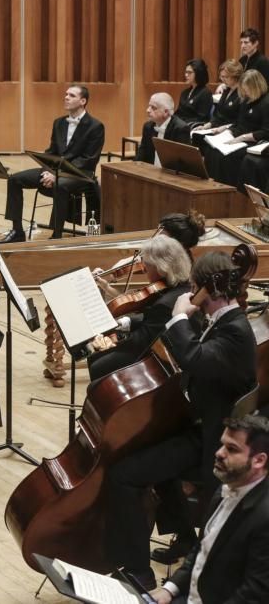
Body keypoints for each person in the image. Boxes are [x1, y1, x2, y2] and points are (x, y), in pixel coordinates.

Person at [103, 251, 257, 589]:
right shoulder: (225, 321)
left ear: (207, 290)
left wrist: (178, 318)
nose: (189, 292)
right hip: (199, 426)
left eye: (193, 287)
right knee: (153, 453)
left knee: (124, 475)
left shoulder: (236, 333)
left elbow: (194, 358)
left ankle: (138, 573)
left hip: (212, 440)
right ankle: (185, 538)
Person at [148, 414, 269, 604]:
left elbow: (255, 594)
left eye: (232, 449)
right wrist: (169, 589)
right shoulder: (225, 487)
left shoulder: (264, 517)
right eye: (222, 444)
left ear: (259, 460)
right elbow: (201, 548)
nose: (219, 453)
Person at [0, 85, 105, 242]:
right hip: (55, 171)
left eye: (72, 95)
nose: (66, 97)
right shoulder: (59, 123)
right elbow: (51, 152)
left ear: (83, 101)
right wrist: (47, 171)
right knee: (14, 179)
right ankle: (17, 231)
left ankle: (57, 235)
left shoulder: (96, 126)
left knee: (60, 185)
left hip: (81, 174)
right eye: (66, 94)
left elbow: (88, 160)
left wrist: (58, 174)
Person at [87, 235, 193, 381]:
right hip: (158, 345)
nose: (144, 269)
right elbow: (150, 318)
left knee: (98, 364)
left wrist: (112, 344)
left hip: (156, 359)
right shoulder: (182, 285)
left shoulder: (165, 304)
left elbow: (141, 343)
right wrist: (125, 323)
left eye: (147, 265)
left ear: (161, 268)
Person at [207, 70, 269, 192]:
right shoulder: (246, 100)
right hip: (240, 137)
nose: (245, 92)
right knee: (213, 150)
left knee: (230, 156)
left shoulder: (266, 102)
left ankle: (233, 190)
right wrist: (228, 131)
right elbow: (239, 123)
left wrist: (242, 137)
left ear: (256, 86)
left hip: (256, 141)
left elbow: (266, 131)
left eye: (247, 89)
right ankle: (213, 187)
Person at [135, 93, 192, 166]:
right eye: (149, 106)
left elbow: (183, 161)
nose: (148, 110)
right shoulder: (148, 126)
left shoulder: (180, 129)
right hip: (150, 172)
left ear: (166, 112)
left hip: (171, 174)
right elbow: (141, 154)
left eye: (153, 108)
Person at [199, 59, 244, 130]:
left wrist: (223, 128)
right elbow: (219, 116)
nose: (222, 80)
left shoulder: (243, 93)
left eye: (225, 77)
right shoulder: (226, 90)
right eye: (221, 77)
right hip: (217, 128)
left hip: (231, 131)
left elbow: (239, 121)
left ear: (235, 76)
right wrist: (206, 126)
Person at [176, 59, 213, 126]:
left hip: (193, 126)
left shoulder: (205, 93)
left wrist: (180, 123)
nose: (186, 75)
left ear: (199, 73)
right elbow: (178, 113)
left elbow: (202, 118)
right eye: (186, 72)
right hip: (181, 125)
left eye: (189, 72)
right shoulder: (185, 92)